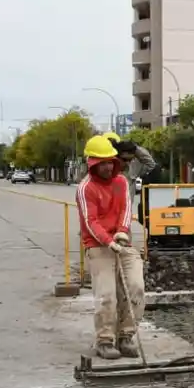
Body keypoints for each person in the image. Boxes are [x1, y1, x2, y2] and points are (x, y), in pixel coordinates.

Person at [77, 134, 145, 360]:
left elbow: (126, 209)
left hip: (121, 241)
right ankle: (105, 340)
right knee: (106, 295)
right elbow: (90, 221)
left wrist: (122, 232)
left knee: (135, 287)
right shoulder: (86, 188)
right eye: (102, 163)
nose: (107, 167)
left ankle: (126, 336)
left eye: (110, 162)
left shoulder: (121, 182)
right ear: (92, 164)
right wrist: (108, 242)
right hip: (98, 246)